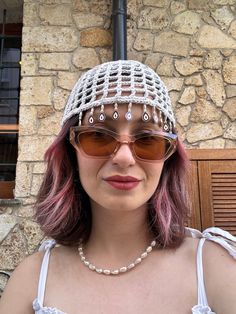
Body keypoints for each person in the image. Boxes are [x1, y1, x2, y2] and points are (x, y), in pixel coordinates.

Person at [0, 59, 236, 314]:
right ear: (71, 152)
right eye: (98, 136)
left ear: (168, 158)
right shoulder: (31, 281)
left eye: (148, 140)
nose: (124, 158)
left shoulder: (214, 268)